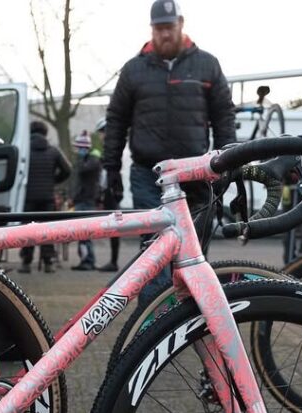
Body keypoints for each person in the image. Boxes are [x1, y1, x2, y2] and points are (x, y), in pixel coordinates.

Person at [101, 0, 236, 289]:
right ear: (151, 29)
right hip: (149, 174)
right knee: (154, 256)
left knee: (193, 255)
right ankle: (154, 316)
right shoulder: (133, 70)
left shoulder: (207, 65)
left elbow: (224, 115)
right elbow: (116, 119)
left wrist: (226, 162)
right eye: (159, 28)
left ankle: (190, 314)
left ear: (181, 24)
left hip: (196, 174)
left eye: (169, 27)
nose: (164, 34)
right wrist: (111, 167)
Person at [19, 120, 71, 273]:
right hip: (47, 197)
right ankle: (48, 262)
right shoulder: (53, 151)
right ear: (45, 133)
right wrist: (53, 181)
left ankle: (26, 262)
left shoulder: (25, 151)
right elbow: (67, 170)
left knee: (28, 230)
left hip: (28, 198)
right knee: (47, 230)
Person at [93, 117, 122, 271]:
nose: (100, 135)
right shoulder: (107, 148)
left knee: (115, 227)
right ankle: (113, 260)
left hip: (113, 190)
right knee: (113, 227)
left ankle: (114, 261)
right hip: (109, 191)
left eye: (101, 132)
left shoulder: (112, 146)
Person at [70, 131, 102, 270]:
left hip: (86, 199)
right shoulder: (90, 159)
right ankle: (86, 260)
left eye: (79, 148)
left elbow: (82, 171)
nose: (77, 151)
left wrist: (80, 159)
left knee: (84, 232)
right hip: (83, 198)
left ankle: (87, 261)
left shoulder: (91, 160)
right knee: (83, 232)